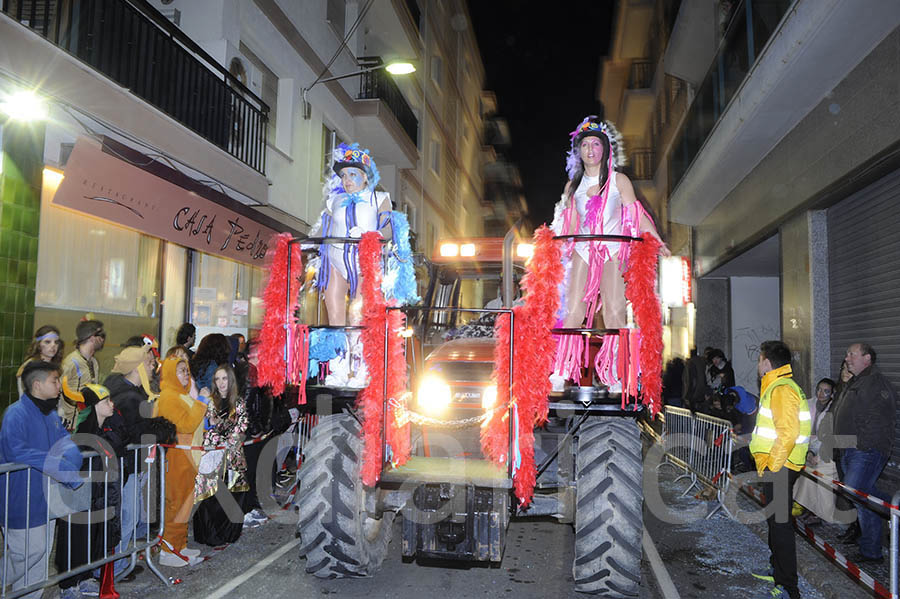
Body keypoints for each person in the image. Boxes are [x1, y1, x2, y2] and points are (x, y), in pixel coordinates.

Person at [549, 116, 667, 390]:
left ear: (605, 149)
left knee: (615, 312)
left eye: (595, 144)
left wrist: (657, 240)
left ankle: (616, 372)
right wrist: (554, 244)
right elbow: (569, 224)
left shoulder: (618, 181)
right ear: (578, 151)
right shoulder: (572, 186)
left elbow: (637, 214)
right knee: (573, 311)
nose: (590, 149)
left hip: (612, 250)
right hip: (583, 250)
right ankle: (561, 370)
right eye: (585, 144)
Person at [0, 361, 83, 599]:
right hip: (20, 499)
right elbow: (17, 451)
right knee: (28, 553)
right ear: (37, 385)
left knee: (40, 557)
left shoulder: (48, 413)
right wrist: (60, 467)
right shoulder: (16, 413)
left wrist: (72, 457)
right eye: (55, 381)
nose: (60, 385)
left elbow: (64, 441)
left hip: (44, 499)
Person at [55, 384, 127, 599]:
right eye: (106, 402)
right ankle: (69, 585)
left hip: (95, 493)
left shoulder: (104, 427)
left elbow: (121, 443)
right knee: (75, 537)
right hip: (78, 493)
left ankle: (84, 578)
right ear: (94, 406)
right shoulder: (84, 430)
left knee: (91, 536)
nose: (111, 405)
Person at [749, 340, 809, 599]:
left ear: (766, 362)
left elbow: (789, 432)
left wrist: (773, 465)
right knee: (776, 522)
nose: (757, 363)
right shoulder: (776, 385)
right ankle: (778, 571)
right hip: (778, 465)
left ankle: (788, 587)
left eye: (759, 359)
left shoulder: (781, 388)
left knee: (781, 525)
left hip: (781, 466)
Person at [833, 343, 897, 563]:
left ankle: (896, 508)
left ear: (867, 358)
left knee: (856, 491)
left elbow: (880, 419)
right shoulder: (856, 381)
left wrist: (862, 445)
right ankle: (870, 550)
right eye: (846, 353)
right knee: (862, 496)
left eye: (852, 354)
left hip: (865, 450)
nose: (847, 358)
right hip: (850, 449)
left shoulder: (875, 382)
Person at [102, 345, 158, 574]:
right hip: (127, 466)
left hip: (130, 464)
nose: (152, 367)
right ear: (137, 367)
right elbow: (136, 432)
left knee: (129, 516)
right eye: (148, 363)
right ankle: (112, 569)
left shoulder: (128, 392)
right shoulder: (129, 397)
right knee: (127, 516)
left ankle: (120, 563)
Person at [193, 365, 253, 546]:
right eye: (217, 379)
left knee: (236, 495)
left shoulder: (240, 402)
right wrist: (217, 431)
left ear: (231, 380)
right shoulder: (210, 401)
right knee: (211, 499)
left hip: (233, 459)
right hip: (213, 458)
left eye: (224, 378)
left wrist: (225, 435)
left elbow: (242, 426)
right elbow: (206, 428)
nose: (220, 383)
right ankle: (210, 535)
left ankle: (229, 534)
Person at [156, 357, 207, 567]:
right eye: (180, 371)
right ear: (169, 373)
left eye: (186, 370)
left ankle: (180, 545)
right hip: (177, 458)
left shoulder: (181, 395)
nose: (185, 374)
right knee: (175, 505)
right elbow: (185, 425)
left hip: (188, 459)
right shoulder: (169, 397)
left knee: (184, 505)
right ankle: (168, 550)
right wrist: (201, 402)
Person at [793, 378, 850, 526]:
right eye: (819, 389)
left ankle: (818, 511)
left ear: (832, 394)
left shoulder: (833, 410)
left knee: (821, 472)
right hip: (809, 449)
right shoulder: (809, 404)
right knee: (801, 469)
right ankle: (803, 505)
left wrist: (816, 454)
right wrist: (809, 452)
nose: (821, 394)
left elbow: (827, 436)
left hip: (825, 452)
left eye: (826, 391)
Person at [60, 319, 106, 431]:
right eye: (100, 335)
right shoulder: (71, 362)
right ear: (91, 337)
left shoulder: (94, 362)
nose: (103, 339)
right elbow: (57, 390)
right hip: (71, 426)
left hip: (86, 423)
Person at [16, 325, 64, 396]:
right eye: (47, 342)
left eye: (56, 342)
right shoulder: (30, 365)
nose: (53, 345)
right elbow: (23, 395)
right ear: (38, 345)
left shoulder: (56, 365)